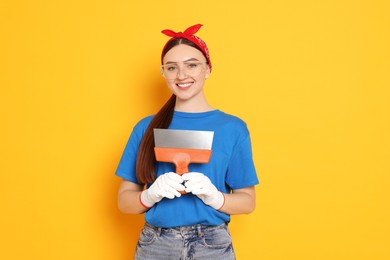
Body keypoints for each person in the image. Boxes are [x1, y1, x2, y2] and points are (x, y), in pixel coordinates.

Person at [116, 24, 259, 260]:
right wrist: (149, 195)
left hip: (212, 245)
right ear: (164, 73)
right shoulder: (146, 127)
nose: (182, 75)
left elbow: (247, 202)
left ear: (208, 69)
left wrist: (216, 197)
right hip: (156, 245)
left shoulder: (233, 128)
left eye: (192, 65)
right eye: (172, 68)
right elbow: (124, 201)